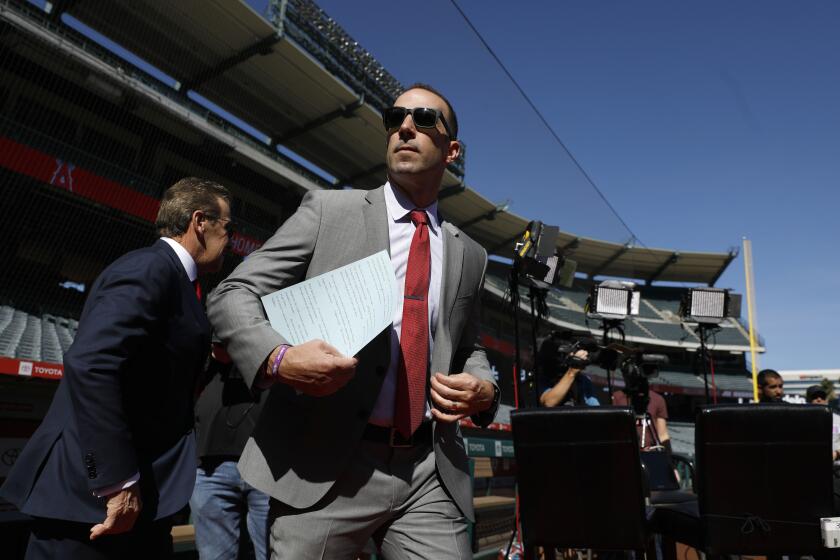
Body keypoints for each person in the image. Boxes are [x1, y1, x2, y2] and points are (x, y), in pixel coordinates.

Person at [207, 83, 499, 559]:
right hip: (324, 467)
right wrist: (278, 358)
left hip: (430, 469)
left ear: (452, 151)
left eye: (424, 120)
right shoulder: (328, 210)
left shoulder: (470, 252)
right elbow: (232, 293)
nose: (405, 127)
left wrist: (484, 390)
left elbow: (470, 347)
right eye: (395, 118)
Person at [0, 177, 232, 559]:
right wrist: (117, 481)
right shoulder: (150, 268)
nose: (231, 239)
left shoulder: (179, 282)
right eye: (228, 227)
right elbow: (92, 363)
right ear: (200, 222)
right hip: (93, 501)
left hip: (140, 497)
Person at [190, 343, 269, 559]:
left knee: (277, 553)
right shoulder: (199, 315)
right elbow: (220, 351)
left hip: (272, 460)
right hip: (209, 458)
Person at [535, 332, 598, 407]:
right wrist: (572, 371)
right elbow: (549, 402)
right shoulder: (540, 379)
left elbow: (595, 409)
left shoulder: (583, 380)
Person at [805, 384, 840, 462]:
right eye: (814, 397)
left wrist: (836, 454)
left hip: (835, 467)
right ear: (807, 400)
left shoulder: (838, 420)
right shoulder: (802, 421)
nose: (819, 399)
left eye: (822, 397)